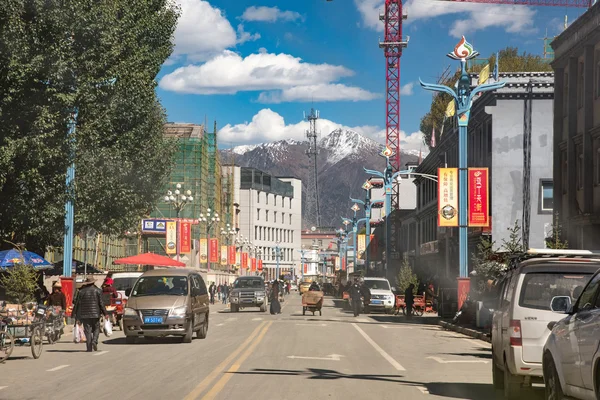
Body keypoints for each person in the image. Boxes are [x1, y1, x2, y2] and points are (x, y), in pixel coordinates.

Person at [72, 277, 107, 352]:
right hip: (95, 314)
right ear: (93, 283)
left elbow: (77, 304)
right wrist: (105, 313)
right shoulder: (98, 291)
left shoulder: (81, 292)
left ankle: (89, 347)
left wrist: (75, 315)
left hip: (84, 314)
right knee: (96, 328)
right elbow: (101, 303)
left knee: (87, 330)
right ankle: (94, 341)